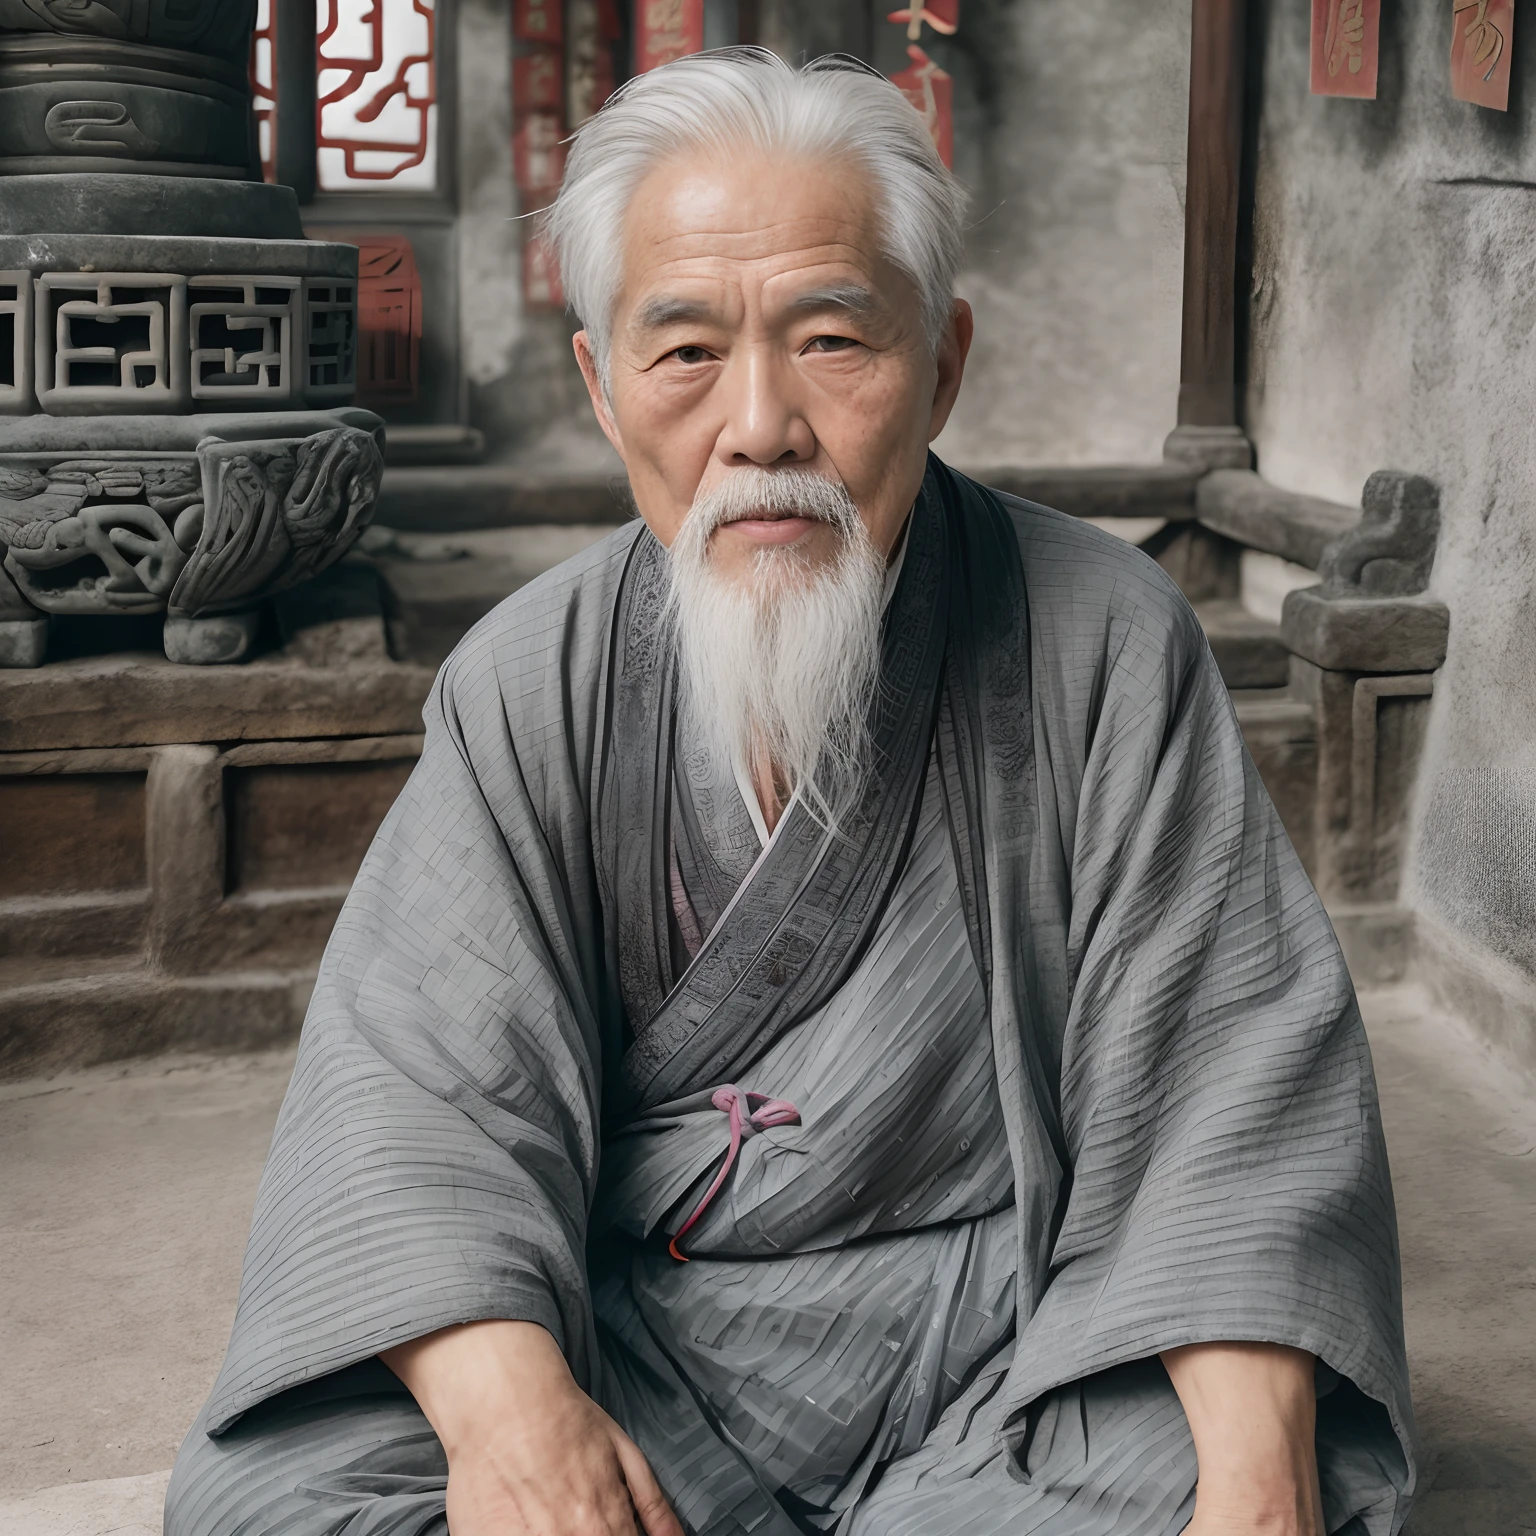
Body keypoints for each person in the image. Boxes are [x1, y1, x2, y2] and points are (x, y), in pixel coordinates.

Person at [166, 48, 1414, 1536]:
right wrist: (517, 1420)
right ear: (601, 383)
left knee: (1242, 1454)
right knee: (276, 1495)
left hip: (1005, 1345)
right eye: (685, 351)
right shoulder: (531, 679)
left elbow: (1232, 1081)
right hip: (642, 1345)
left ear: (941, 363)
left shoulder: (1101, 634)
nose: (760, 426)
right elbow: (417, 1094)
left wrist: (1252, 1487)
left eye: (832, 339)